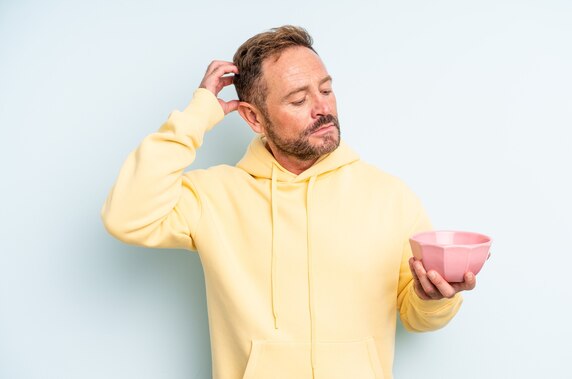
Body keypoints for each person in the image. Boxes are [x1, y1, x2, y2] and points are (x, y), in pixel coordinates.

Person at [102, 25, 477, 379]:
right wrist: (195, 118)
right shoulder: (213, 196)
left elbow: (418, 319)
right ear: (254, 118)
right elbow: (126, 216)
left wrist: (433, 300)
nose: (322, 108)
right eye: (298, 99)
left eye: (326, 90)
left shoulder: (391, 196)